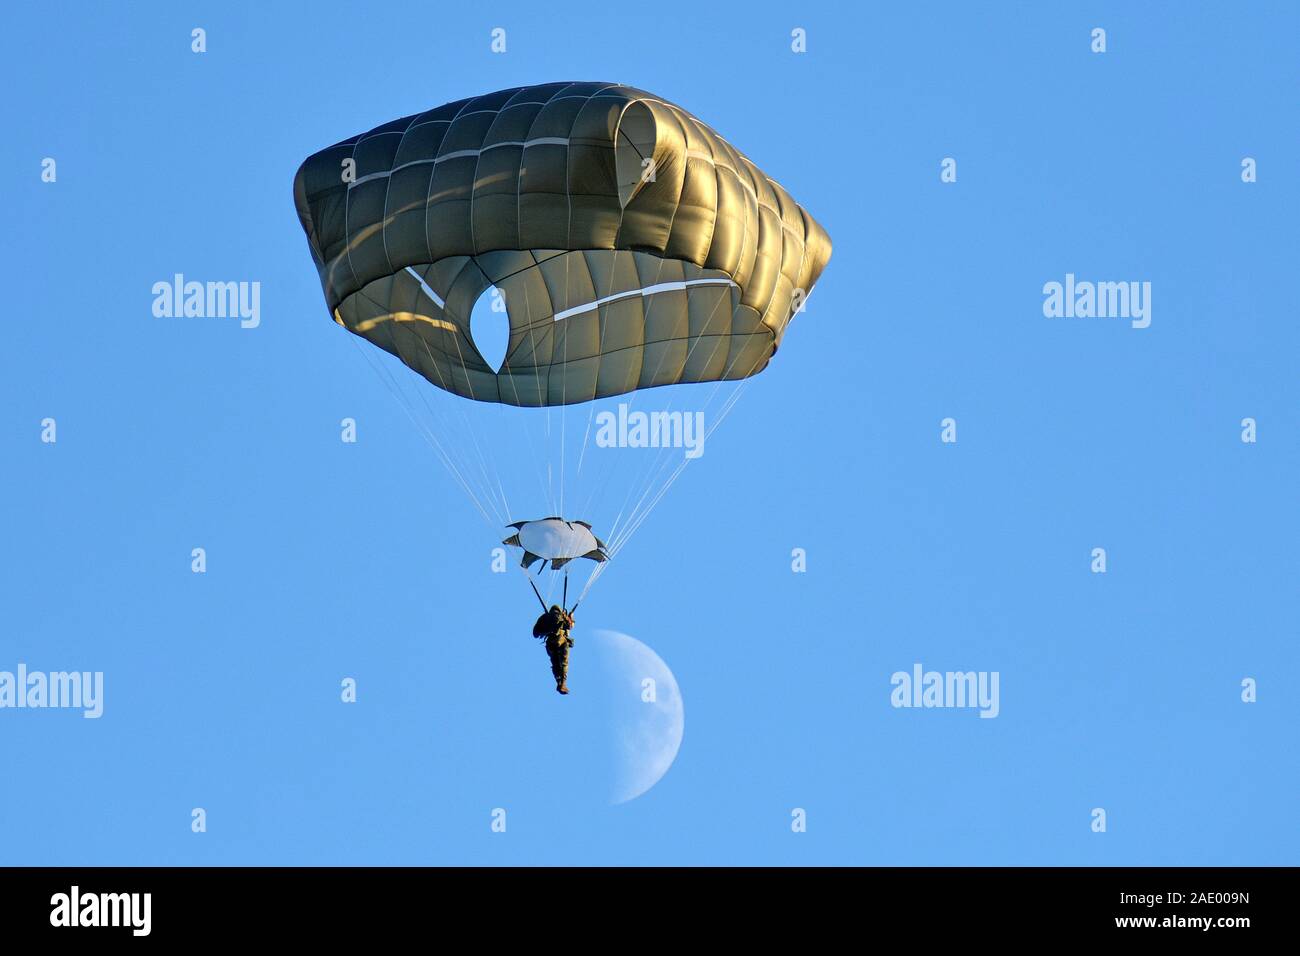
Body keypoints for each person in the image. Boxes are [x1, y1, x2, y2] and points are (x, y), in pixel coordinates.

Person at [532, 604, 576, 695]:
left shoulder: (543, 618)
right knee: (563, 662)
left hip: (550, 644)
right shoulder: (561, 616)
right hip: (561, 642)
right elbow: (570, 626)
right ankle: (563, 682)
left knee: (555, 663)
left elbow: (535, 634)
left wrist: (546, 624)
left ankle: (559, 682)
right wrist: (570, 618)